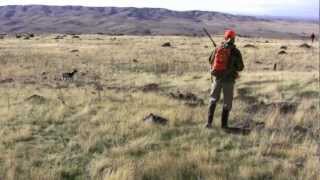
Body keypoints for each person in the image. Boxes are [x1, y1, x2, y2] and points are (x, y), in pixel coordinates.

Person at [205, 29, 244, 129]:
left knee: (213, 99)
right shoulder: (235, 51)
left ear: (225, 37)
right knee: (227, 102)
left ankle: (209, 123)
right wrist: (232, 67)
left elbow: (210, 60)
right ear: (234, 39)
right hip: (229, 80)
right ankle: (224, 125)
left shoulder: (218, 48)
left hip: (217, 79)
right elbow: (241, 67)